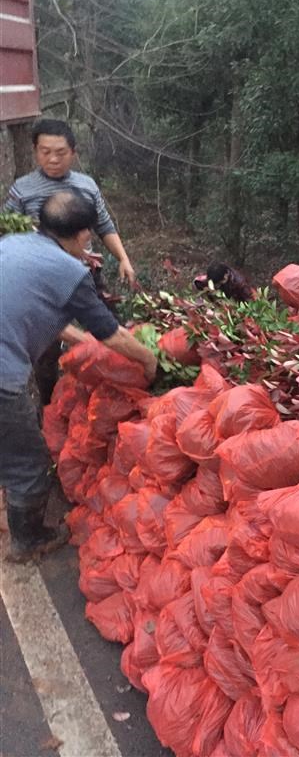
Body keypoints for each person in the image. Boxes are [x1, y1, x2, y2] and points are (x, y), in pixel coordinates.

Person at [0, 190, 157, 563]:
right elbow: (113, 334)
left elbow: (28, 304)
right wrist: (150, 361)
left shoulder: (12, 244)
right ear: (84, 234)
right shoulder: (69, 271)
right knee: (30, 464)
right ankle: (29, 540)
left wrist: (80, 339)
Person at [2, 118, 136, 404]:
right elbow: (7, 232)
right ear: (35, 151)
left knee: (108, 329)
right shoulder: (22, 190)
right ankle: (50, 403)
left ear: (73, 152)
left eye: (60, 152)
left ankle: (113, 392)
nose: (52, 158)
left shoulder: (86, 186)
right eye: (44, 151)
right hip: (39, 282)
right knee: (46, 347)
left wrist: (123, 258)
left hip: (84, 272)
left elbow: (104, 225)